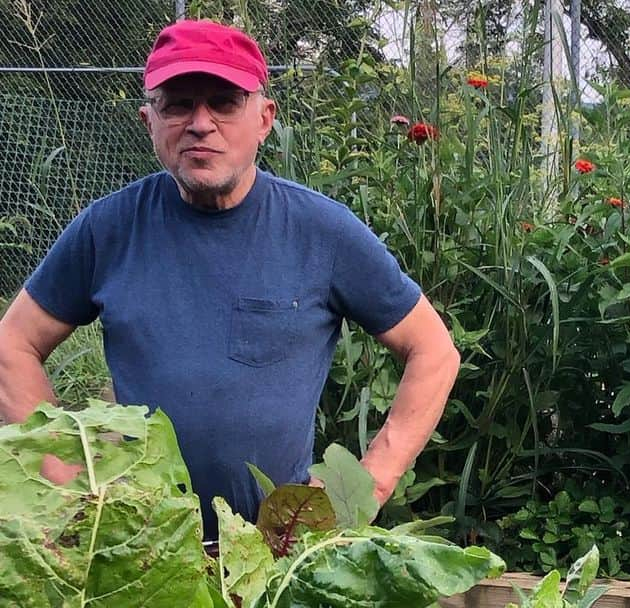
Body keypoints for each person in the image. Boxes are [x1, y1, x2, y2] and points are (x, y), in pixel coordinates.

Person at [0, 19, 460, 540]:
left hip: (272, 555)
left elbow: (434, 351)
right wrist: (67, 480)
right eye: (177, 104)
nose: (201, 122)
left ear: (264, 119)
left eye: (223, 102)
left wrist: (368, 485)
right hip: (139, 548)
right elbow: (12, 344)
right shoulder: (107, 230)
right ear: (149, 120)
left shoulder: (321, 232)